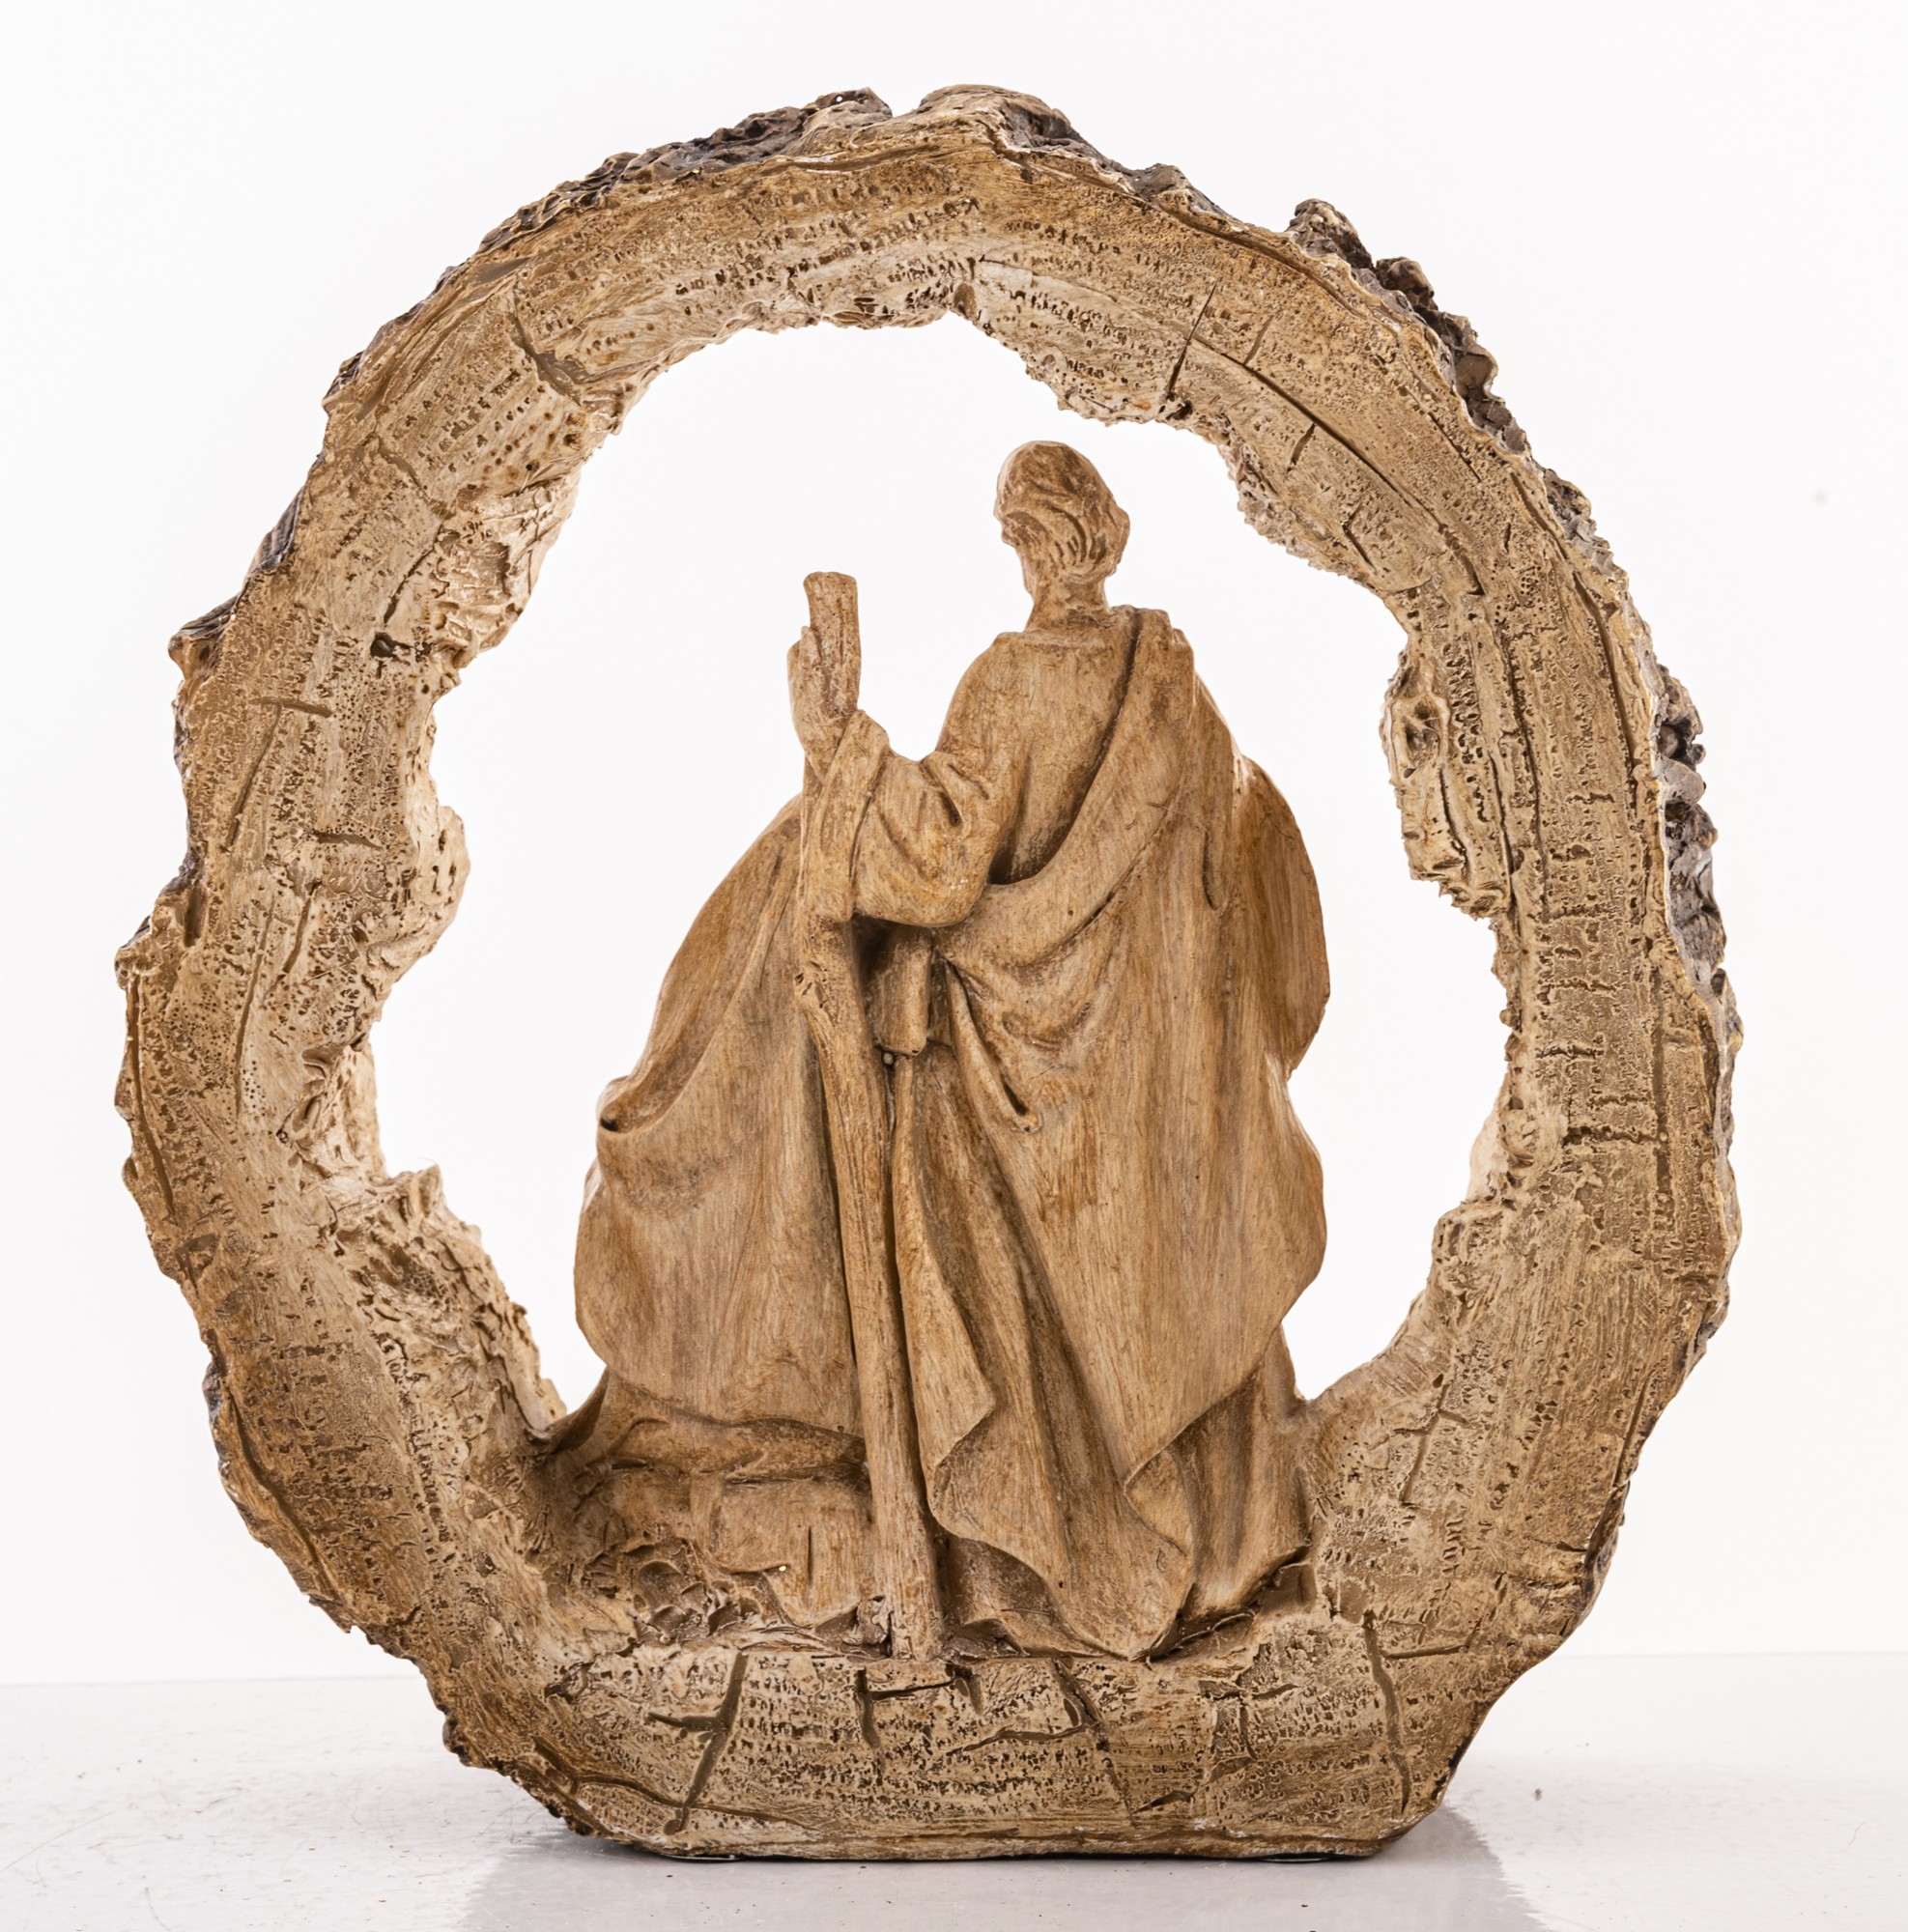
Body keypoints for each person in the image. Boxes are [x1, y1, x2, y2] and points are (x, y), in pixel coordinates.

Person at [571, 442, 1328, 1659]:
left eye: (1022, 533)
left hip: (996, 1075)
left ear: (1027, 543)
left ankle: (1029, 1571)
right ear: (1110, 532)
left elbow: (933, 865)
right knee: (1140, 1298)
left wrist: (841, 746)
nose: (1030, 555)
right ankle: (1204, 1547)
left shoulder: (1011, 680)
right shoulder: (1179, 692)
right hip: (1137, 1092)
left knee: (988, 1301)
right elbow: (1243, 867)